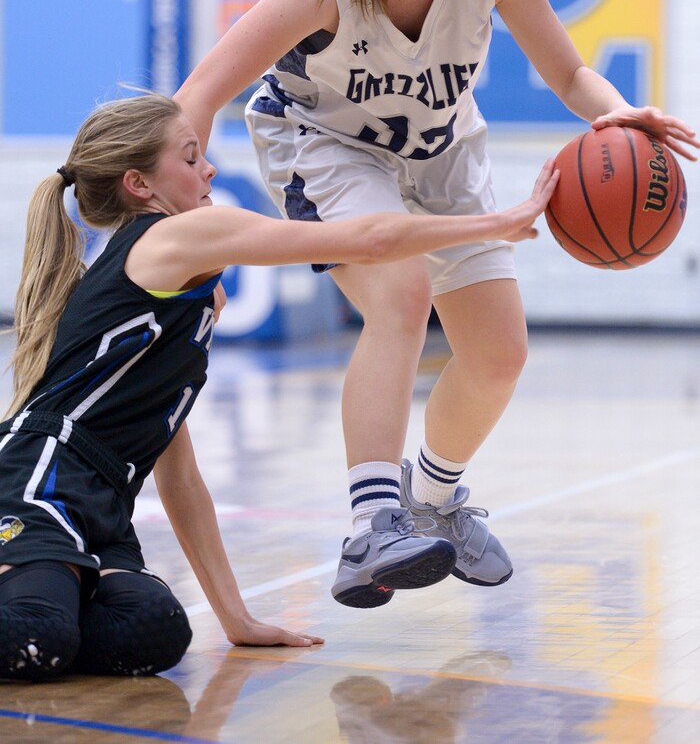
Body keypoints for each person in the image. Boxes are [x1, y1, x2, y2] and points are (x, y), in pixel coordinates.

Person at [173, 0, 700, 608]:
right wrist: (186, 234)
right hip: (325, 145)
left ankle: (434, 499)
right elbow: (199, 92)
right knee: (400, 292)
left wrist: (616, 111)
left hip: (443, 151)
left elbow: (568, 75)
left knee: (499, 354)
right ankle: (370, 525)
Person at [0, 92, 558, 680]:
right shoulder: (172, 239)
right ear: (140, 184)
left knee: (155, 633)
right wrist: (497, 223)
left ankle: (37, 590)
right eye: (190, 159)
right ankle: (34, 596)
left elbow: (181, 478)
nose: (209, 168)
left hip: (103, 504)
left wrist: (237, 620)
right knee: (41, 635)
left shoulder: (184, 294)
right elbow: (366, 240)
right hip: (40, 480)